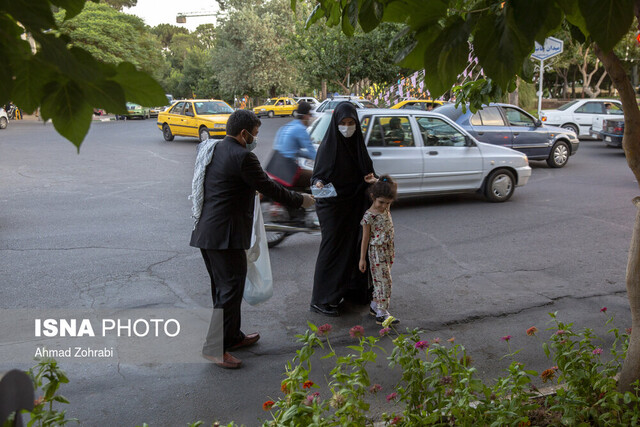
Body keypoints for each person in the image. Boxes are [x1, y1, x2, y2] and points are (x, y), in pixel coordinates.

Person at [190, 110, 314, 369]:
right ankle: (215, 348)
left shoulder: (216, 148)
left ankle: (232, 337)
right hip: (224, 236)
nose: (256, 139)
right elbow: (270, 187)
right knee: (229, 291)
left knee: (224, 290)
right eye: (255, 134)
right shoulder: (244, 156)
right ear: (244, 133)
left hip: (208, 232)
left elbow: (226, 184)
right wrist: (301, 200)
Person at [310, 102, 377, 316]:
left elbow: (369, 174)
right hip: (332, 209)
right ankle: (321, 299)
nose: (347, 127)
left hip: (355, 208)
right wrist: (319, 183)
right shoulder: (328, 147)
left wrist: (372, 180)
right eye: (343, 123)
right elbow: (317, 178)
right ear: (335, 124)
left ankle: (352, 291)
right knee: (332, 252)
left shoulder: (358, 146)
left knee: (355, 249)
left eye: (351, 123)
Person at [359, 175, 400, 325]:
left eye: (387, 203)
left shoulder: (385, 208)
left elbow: (393, 184)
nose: (383, 206)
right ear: (373, 197)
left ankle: (375, 305)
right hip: (377, 251)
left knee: (380, 280)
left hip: (389, 248)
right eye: (381, 202)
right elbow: (365, 239)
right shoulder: (369, 216)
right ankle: (382, 313)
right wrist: (362, 259)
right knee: (385, 282)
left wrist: (377, 181)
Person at [271, 101, 317, 187]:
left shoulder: (286, 126)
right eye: (309, 115)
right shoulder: (300, 129)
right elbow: (312, 153)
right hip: (288, 171)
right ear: (305, 116)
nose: (310, 117)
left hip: (275, 169)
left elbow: (293, 151)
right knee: (316, 178)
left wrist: (307, 155)